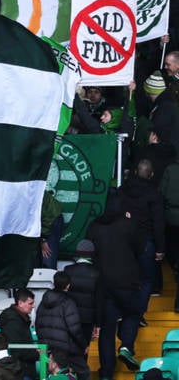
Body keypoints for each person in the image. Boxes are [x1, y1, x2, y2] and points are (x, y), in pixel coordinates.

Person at [86, 193, 143, 375]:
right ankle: (126, 345)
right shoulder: (128, 223)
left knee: (107, 329)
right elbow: (140, 249)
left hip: (103, 283)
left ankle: (106, 372)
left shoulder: (94, 226)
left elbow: (89, 251)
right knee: (133, 314)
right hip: (127, 281)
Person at [119, 158, 165, 325]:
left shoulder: (123, 190)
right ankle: (137, 315)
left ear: (136, 172)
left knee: (127, 278)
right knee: (146, 280)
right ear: (151, 174)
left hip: (125, 241)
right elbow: (158, 222)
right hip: (146, 242)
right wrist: (160, 248)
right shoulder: (154, 194)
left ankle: (125, 313)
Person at [34, 272, 89, 380]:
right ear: (68, 285)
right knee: (84, 372)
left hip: (48, 347)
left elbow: (37, 324)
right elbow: (75, 329)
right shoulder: (68, 303)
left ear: (53, 284)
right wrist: (84, 345)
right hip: (66, 349)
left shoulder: (43, 302)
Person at [63, 239, 100, 346]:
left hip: (70, 316)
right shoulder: (97, 273)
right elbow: (98, 300)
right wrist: (97, 323)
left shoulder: (67, 270)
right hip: (88, 319)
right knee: (84, 349)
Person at [0, 288, 39, 380]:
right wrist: (36, 354)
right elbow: (17, 349)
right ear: (20, 303)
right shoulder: (12, 322)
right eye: (30, 303)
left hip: (21, 369)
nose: (33, 306)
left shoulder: (19, 318)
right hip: (19, 371)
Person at [160, 154, 179, 312]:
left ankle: (174, 265)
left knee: (172, 243)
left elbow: (162, 192)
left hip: (171, 216)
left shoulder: (170, 170)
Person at [143, 71, 179, 154]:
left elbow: (159, 131)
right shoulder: (164, 103)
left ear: (149, 91)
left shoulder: (164, 107)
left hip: (167, 152)